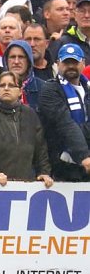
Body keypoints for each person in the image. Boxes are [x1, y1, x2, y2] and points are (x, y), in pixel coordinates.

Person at [0, 71, 53, 187]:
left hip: (26, 184)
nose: (6, 88)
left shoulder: (30, 114)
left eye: (11, 85)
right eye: (2, 85)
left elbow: (41, 149)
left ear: (20, 91)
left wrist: (44, 172)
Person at [37, 44, 90, 182]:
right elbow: (64, 123)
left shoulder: (88, 89)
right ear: (58, 63)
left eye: (75, 62)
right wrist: (84, 155)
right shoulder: (50, 90)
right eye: (66, 62)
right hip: (61, 166)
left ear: (83, 63)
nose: (71, 66)